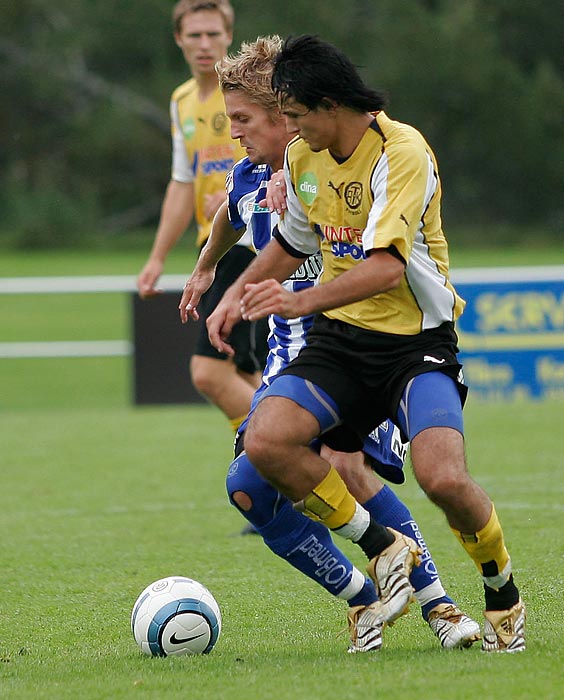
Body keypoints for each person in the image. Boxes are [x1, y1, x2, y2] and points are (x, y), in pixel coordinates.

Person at [206, 35, 526, 653]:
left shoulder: (400, 152)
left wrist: (295, 300)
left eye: (295, 116)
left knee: (443, 480)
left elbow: (384, 267)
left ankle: (500, 593)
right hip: (340, 342)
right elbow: (292, 244)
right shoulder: (304, 156)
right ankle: (383, 551)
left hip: (415, 344)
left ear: (328, 104)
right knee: (267, 444)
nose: (290, 131)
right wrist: (235, 292)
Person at [137, 0, 267, 433]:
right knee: (247, 374)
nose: (205, 44)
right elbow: (182, 182)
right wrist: (157, 257)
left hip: (252, 246)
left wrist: (239, 199)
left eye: (214, 34)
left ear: (230, 36)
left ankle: (287, 454)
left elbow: (285, 159)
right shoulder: (182, 100)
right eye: (194, 35)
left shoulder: (250, 94)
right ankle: (287, 470)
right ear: (179, 39)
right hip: (212, 253)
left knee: (210, 373)